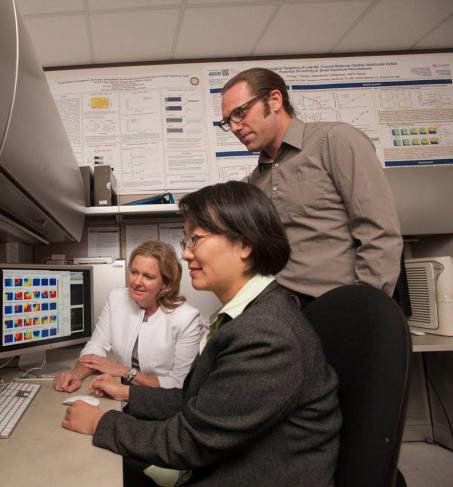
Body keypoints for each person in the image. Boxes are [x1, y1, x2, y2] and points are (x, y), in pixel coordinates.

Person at [61, 182, 341, 487]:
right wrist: (129, 393)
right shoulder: (249, 316)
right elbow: (198, 403)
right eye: (186, 240)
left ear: (245, 245)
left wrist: (102, 423)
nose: (185, 254)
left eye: (195, 239)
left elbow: (192, 440)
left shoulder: (266, 335)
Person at [219, 67, 402, 306]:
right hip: (285, 312)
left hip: (339, 306)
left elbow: (379, 231)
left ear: (275, 100)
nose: (234, 127)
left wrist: (365, 307)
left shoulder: (334, 140)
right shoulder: (257, 180)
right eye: (227, 121)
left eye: (240, 113)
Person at [54, 240, 203, 393]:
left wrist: (125, 372)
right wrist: (76, 374)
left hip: (160, 403)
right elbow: (97, 346)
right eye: (134, 272)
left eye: (148, 276)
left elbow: (179, 383)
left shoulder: (187, 318)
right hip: (122, 393)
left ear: (165, 283)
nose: (137, 282)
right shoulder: (116, 298)